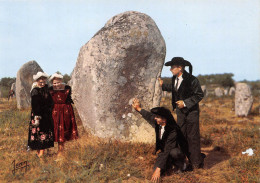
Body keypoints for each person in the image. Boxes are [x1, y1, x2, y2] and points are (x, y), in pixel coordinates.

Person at [159, 57, 205, 169]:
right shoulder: (175, 78)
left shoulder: (192, 80)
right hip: (180, 113)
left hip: (191, 112)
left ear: (180, 68)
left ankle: (196, 164)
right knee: (181, 136)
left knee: (192, 137)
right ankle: (181, 163)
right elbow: (175, 89)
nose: (170, 69)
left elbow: (199, 95)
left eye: (172, 67)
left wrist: (185, 103)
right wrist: (163, 85)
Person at [132, 98, 189, 182]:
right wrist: (138, 109)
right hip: (165, 152)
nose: (155, 118)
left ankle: (181, 164)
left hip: (175, 151)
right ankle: (169, 164)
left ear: (164, 119)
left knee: (174, 153)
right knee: (156, 175)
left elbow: (167, 150)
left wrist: (158, 169)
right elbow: (149, 116)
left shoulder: (173, 130)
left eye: (157, 117)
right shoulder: (158, 123)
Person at [48, 73, 78, 157]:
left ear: (61, 81)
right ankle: (56, 151)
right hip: (55, 112)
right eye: (54, 83)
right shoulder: (50, 90)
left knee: (63, 130)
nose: (56, 85)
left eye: (58, 82)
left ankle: (61, 151)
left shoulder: (67, 89)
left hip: (65, 112)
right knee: (56, 131)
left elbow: (71, 99)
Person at [27, 72, 54, 158]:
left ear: (45, 80)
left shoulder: (47, 89)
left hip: (46, 115)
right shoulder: (35, 91)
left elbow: (51, 102)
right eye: (40, 81)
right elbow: (35, 105)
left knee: (44, 133)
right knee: (39, 133)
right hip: (37, 115)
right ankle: (40, 154)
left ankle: (40, 153)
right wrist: (37, 117)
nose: (42, 83)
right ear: (37, 81)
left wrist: (50, 110)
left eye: (43, 81)